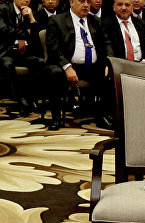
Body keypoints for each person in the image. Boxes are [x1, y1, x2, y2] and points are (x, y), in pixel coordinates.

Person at [46, 0, 114, 130]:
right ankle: (56, 118)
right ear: (71, 2)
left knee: (110, 73)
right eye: (82, 1)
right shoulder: (57, 20)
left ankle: (102, 116)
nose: (86, 5)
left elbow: (107, 44)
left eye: (88, 1)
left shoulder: (96, 21)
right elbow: (53, 48)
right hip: (67, 65)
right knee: (55, 73)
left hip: (91, 66)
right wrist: (67, 67)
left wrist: (109, 63)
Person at [0, 0, 49, 116]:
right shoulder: (1, 9)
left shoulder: (30, 12)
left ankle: (33, 99)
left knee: (40, 63)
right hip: (6, 51)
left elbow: (36, 36)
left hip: (25, 52)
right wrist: (26, 33)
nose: (26, 0)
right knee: (7, 64)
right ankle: (22, 101)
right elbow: (3, 30)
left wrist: (32, 19)